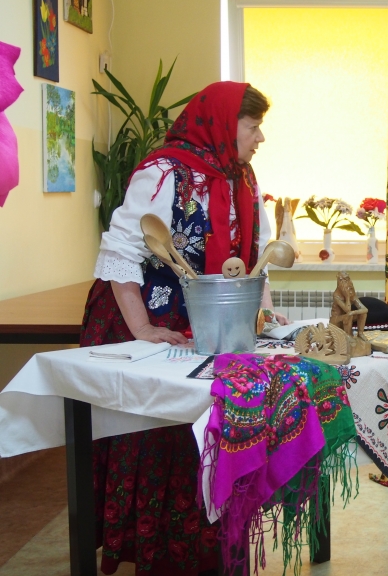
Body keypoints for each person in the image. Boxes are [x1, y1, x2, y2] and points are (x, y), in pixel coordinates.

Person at [81, 81, 287, 575]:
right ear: (223, 124)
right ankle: (161, 555)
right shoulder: (163, 172)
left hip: (209, 323)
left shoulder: (242, 175)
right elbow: (121, 251)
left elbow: (253, 256)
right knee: (163, 439)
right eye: (253, 126)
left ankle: (209, 551)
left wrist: (262, 311)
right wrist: (142, 328)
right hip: (150, 318)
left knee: (214, 433)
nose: (260, 138)